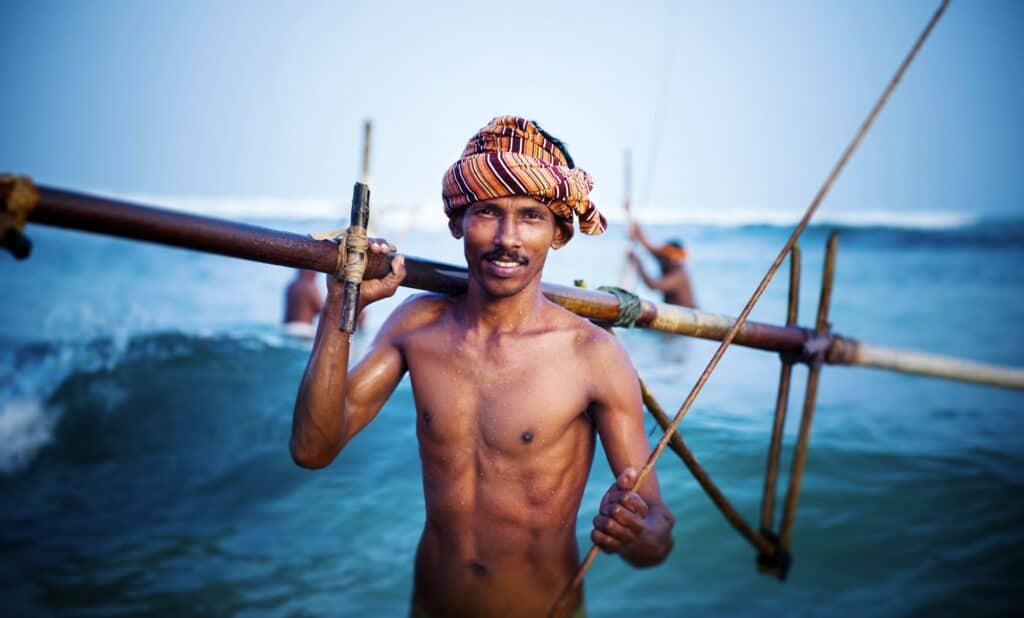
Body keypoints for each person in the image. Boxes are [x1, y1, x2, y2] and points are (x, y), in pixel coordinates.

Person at [290, 116, 675, 618]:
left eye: (531, 216)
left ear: (559, 233)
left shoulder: (592, 354)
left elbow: (657, 533)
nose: (507, 238)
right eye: (488, 212)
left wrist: (633, 533)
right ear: (458, 224)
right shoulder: (416, 326)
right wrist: (341, 305)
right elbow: (312, 449)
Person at [627, 222, 697, 308]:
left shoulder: (679, 275)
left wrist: (639, 265)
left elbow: (653, 285)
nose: (662, 259)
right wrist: (637, 229)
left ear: (675, 259)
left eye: (666, 258)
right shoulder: (666, 259)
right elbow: (650, 247)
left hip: (686, 317)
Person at [283, 269, 325, 337]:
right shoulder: (310, 287)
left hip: (287, 328)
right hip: (304, 330)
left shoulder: (291, 286)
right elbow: (322, 310)